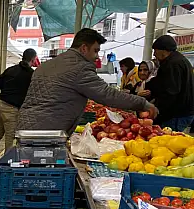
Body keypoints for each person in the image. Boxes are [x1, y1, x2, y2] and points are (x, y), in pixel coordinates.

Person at [17, 28, 157, 133]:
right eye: (95, 51)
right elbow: (108, 95)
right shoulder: (79, 68)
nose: (97, 56)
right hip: (46, 131)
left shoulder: (48, 64)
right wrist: (143, 104)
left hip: (26, 127)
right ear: (84, 48)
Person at [0, 48, 38, 160]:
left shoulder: (11, 69)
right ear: (33, 59)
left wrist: (8, 90)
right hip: (11, 109)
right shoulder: (31, 74)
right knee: (10, 135)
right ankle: (8, 161)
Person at [144, 35, 194, 131]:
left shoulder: (172, 64)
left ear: (164, 51)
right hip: (184, 112)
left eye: (155, 50)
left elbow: (171, 91)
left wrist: (157, 111)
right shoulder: (179, 60)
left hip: (176, 114)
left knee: (166, 141)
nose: (154, 54)